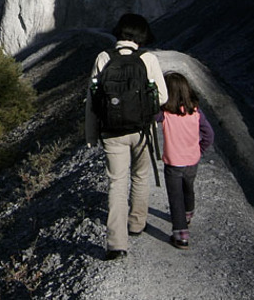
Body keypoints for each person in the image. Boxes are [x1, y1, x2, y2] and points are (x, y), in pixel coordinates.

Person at [86, 13, 168, 261]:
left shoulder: (103, 58)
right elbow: (162, 97)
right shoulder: (148, 58)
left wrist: (91, 135)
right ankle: (136, 224)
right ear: (142, 36)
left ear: (119, 33)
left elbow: (91, 100)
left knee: (116, 184)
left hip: (112, 133)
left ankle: (116, 244)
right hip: (143, 132)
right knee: (140, 177)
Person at [158, 72, 214, 249]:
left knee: (175, 197)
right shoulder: (196, 111)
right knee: (188, 188)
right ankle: (188, 215)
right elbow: (209, 135)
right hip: (192, 160)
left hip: (173, 162)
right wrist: (200, 149)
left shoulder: (164, 113)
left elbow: (148, 118)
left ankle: (181, 234)